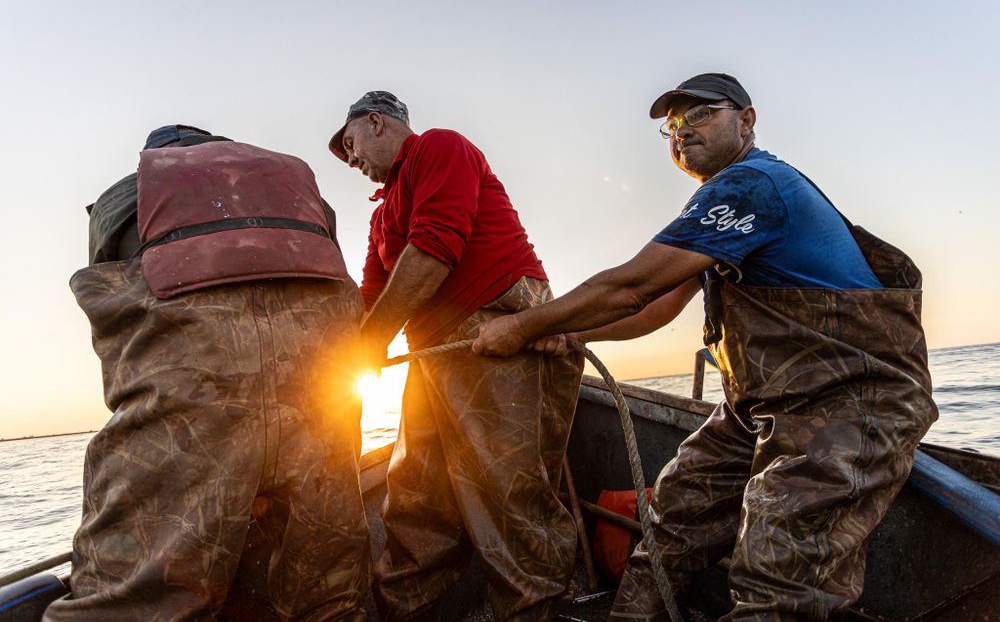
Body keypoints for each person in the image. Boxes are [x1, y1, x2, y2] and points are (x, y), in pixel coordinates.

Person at [472, 73, 938, 621]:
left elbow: (630, 287)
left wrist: (522, 327)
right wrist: (573, 333)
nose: (681, 132)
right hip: (761, 408)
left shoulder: (753, 185)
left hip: (851, 402)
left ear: (746, 120)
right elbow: (655, 307)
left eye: (699, 114)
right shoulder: (719, 211)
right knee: (671, 522)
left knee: (778, 575)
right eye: (671, 126)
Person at [46, 125, 371, 621]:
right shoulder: (304, 197)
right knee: (325, 594)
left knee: (130, 605)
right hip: (321, 402)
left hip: (196, 405)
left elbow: (118, 336)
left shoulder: (122, 198)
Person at [328, 92, 585, 621]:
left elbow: (434, 251)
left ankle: (536, 611)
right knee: (416, 498)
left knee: (510, 498)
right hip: (433, 356)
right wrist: (330, 352)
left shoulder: (439, 148)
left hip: (502, 331)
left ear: (376, 122)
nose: (350, 161)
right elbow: (370, 302)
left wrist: (371, 344)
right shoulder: (381, 219)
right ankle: (404, 609)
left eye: (350, 145)